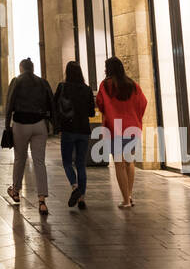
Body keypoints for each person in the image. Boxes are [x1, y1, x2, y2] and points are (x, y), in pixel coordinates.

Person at [3, 58, 54, 216]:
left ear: (21, 68)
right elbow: (51, 102)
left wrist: (7, 125)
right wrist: (53, 123)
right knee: (39, 162)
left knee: (20, 158)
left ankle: (16, 191)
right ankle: (42, 201)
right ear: (32, 68)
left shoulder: (16, 81)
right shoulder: (42, 82)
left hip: (21, 124)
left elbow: (10, 103)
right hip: (39, 124)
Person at [97, 56, 147, 209]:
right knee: (129, 162)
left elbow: (100, 104)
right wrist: (136, 118)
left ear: (109, 69)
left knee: (119, 164)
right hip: (133, 127)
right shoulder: (132, 84)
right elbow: (143, 102)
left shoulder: (106, 85)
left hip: (115, 128)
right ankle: (129, 195)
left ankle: (125, 200)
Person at [55, 61, 96, 210]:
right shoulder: (87, 89)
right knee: (81, 164)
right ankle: (82, 198)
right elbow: (91, 112)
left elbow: (55, 107)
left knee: (67, 162)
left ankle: (74, 186)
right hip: (84, 130)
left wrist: (57, 125)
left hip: (68, 129)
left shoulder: (62, 87)